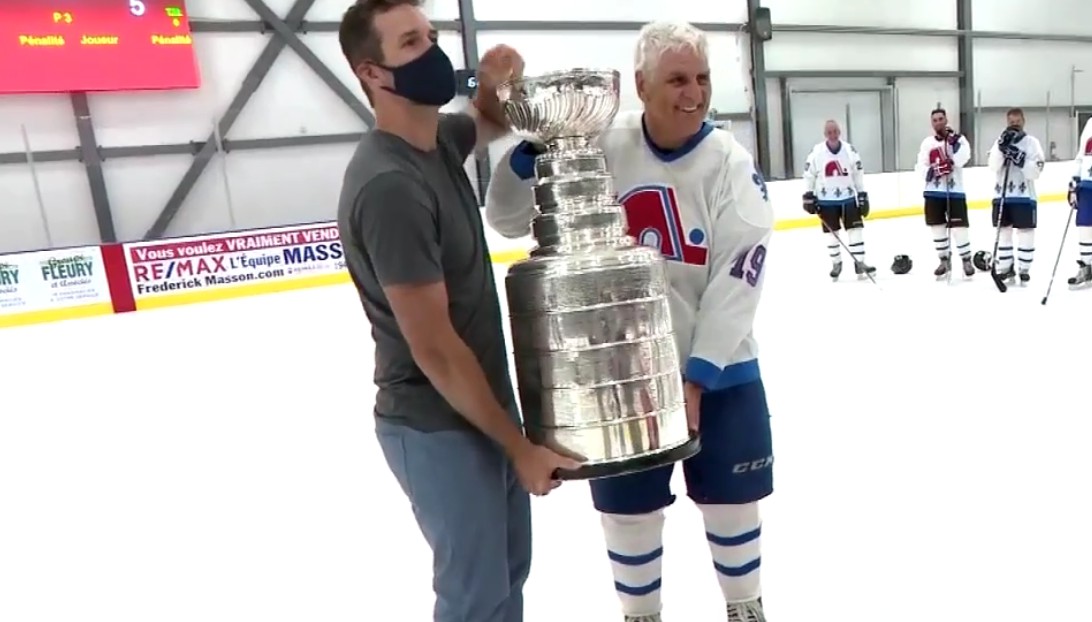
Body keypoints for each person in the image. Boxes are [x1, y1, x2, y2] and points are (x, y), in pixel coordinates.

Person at [486, 20, 773, 622]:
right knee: (628, 513)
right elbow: (507, 220)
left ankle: (745, 610)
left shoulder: (729, 161)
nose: (694, 92)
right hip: (619, 376)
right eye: (677, 79)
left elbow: (737, 281)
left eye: (702, 78)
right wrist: (532, 150)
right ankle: (641, 615)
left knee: (731, 503)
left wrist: (697, 377)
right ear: (641, 85)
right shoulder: (599, 139)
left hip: (722, 372)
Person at [335, 2, 580, 621]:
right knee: (475, 596)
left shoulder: (438, 141)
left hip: (482, 411)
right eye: (411, 43)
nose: (432, 52)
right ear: (372, 73)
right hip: (435, 423)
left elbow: (486, 116)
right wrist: (519, 448)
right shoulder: (390, 187)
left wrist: (493, 78)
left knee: (507, 578)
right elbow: (436, 349)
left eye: (433, 36)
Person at [801, 119, 875, 280]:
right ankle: (836, 263)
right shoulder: (817, 152)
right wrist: (808, 194)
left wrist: (862, 193)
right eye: (829, 132)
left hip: (848, 198)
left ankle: (860, 263)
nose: (833, 135)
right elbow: (809, 174)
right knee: (831, 234)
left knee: (856, 231)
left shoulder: (849, 150)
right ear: (825, 134)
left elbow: (857, 173)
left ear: (839, 132)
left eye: (835, 131)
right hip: (826, 201)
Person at [986, 108, 1045, 285]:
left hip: (1024, 196)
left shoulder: (1032, 143)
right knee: (1003, 231)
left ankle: (1024, 269)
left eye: (1018, 121)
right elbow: (993, 166)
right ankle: (1006, 268)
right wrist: (1001, 149)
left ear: (1023, 121)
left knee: (1025, 232)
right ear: (1007, 122)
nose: (1015, 124)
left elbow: (1036, 171)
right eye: (1011, 122)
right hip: (1001, 195)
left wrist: (1019, 158)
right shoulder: (1000, 141)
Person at [915, 108, 974, 279]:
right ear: (932, 123)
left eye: (941, 119)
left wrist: (954, 145)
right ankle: (944, 260)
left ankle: (966, 260)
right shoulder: (927, 143)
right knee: (937, 227)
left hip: (954, 191)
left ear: (946, 120)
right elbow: (920, 166)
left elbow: (963, 159)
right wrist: (935, 170)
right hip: (933, 192)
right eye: (935, 120)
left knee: (959, 228)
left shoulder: (959, 140)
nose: (938, 122)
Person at [1067, 116, 1092, 287]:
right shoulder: (1091, 123)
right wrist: (1073, 182)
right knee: (1085, 226)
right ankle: (1087, 266)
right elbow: (1081, 155)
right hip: (1087, 184)